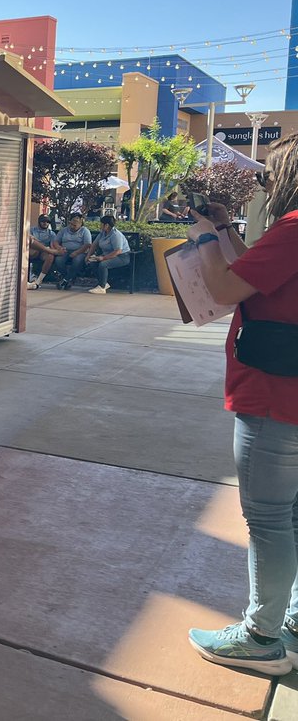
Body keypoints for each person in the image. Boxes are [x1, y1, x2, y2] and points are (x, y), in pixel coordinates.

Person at [187, 135, 298, 676]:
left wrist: (204, 239)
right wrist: (227, 226)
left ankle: (260, 636)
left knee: (270, 519)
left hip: (275, 396)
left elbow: (228, 287)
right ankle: (291, 617)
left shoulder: (296, 226)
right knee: (292, 515)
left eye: (270, 171)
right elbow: (255, 275)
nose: (265, 181)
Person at [84, 214, 130, 294]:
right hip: (107, 255)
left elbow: (118, 251)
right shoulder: (102, 233)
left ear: (107, 225)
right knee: (92, 262)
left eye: (101, 224)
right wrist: (88, 256)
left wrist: (103, 258)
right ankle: (104, 283)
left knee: (103, 264)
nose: (100, 225)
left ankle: (102, 287)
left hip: (121, 257)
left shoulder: (115, 235)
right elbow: (94, 245)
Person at [50, 213, 92, 290]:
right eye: (71, 224)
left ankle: (66, 280)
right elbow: (56, 241)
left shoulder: (85, 231)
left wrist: (77, 252)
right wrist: (59, 248)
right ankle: (68, 278)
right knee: (58, 260)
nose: (72, 227)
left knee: (77, 261)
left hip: (80, 251)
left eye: (75, 225)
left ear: (80, 224)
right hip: (65, 250)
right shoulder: (64, 230)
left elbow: (87, 245)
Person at [27, 214, 57, 290]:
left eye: (47, 222)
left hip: (44, 252)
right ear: (39, 222)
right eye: (43, 221)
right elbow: (29, 241)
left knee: (51, 256)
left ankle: (39, 280)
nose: (45, 223)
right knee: (34, 251)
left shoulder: (51, 234)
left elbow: (52, 246)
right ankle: (30, 276)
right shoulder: (32, 230)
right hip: (32, 251)